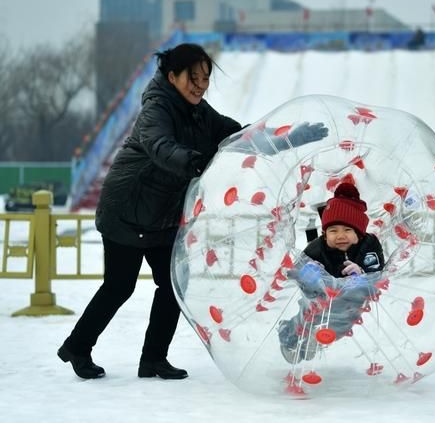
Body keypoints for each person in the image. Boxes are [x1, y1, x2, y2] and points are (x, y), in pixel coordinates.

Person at [58, 43, 327, 380]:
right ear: (172, 77)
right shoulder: (155, 110)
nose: (200, 84)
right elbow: (161, 147)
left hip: (162, 215)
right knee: (119, 286)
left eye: (205, 78)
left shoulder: (201, 114)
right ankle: (77, 348)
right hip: (126, 210)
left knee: (172, 285)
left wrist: (290, 138)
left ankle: (153, 358)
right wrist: (194, 161)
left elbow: (240, 136)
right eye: (193, 77)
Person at [278, 183, 385, 364]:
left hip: (351, 300)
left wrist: (361, 272)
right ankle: (288, 335)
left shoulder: (368, 246)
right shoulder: (317, 248)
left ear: (359, 233)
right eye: (333, 231)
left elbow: (377, 272)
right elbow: (295, 270)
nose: (340, 236)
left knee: (342, 324)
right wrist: (308, 273)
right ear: (325, 234)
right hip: (321, 297)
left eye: (347, 230)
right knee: (307, 316)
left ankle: (315, 341)